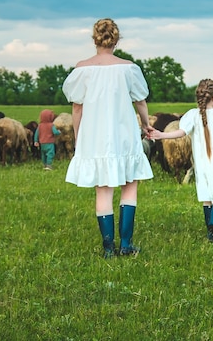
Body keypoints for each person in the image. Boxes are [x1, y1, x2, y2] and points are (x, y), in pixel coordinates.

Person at [62, 18, 154, 258]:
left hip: (95, 138)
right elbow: (141, 101)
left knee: (103, 192)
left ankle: (108, 249)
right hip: (124, 135)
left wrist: (79, 137)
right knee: (129, 186)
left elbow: (77, 109)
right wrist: (146, 125)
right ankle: (126, 244)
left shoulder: (82, 70)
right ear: (116, 40)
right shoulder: (128, 68)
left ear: (95, 39)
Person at [148, 79, 213, 245]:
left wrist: (161, 135)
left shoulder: (192, 115)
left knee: (207, 197)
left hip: (201, 163)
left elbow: (180, 132)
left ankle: (210, 233)